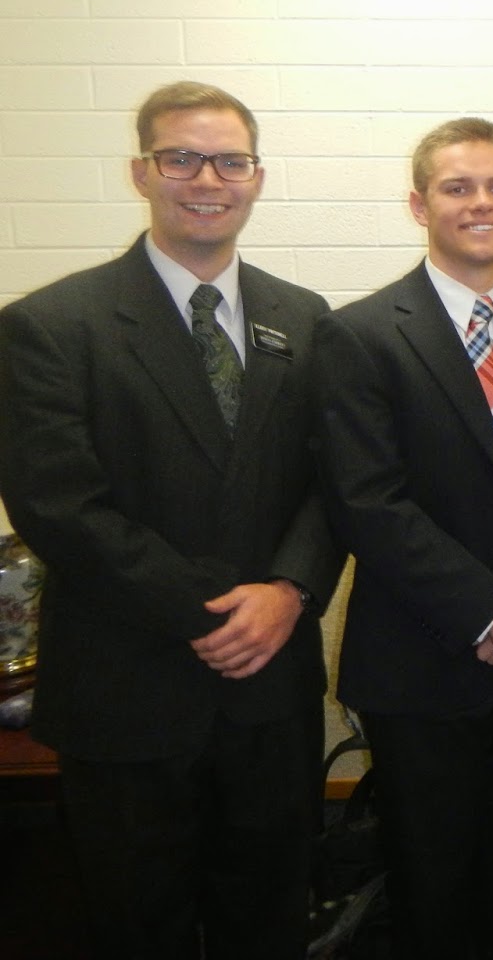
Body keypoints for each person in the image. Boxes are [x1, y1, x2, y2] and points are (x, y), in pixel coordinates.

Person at [0, 82, 342, 959]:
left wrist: (291, 590)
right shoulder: (49, 325)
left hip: (270, 694)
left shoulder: (306, 319)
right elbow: (58, 505)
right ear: (141, 172)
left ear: (257, 177)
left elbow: (335, 481)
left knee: (270, 927)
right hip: (126, 695)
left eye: (230, 161)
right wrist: (214, 611)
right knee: (134, 933)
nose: (207, 180)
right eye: (181, 158)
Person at [312, 117, 493, 960]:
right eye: (458, 187)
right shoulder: (360, 333)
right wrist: (489, 612)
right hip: (422, 664)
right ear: (419, 204)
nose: (481, 202)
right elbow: (368, 502)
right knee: (434, 896)